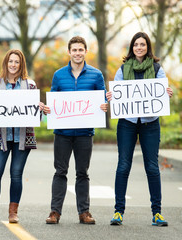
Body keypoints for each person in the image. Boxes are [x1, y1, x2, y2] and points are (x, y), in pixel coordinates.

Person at [107, 32, 173, 227]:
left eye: (143, 44)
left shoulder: (157, 68)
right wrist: (112, 96)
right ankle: (118, 212)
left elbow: (162, 92)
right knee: (123, 165)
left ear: (147, 47)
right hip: (127, 123)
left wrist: (166, 93)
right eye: (136, 44)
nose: (139, 48)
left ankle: (157, 213)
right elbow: (117, 92)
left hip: (150, 123)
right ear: (132, 48)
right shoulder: (123, 69)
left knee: (152, 167)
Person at [0, 49, 47, 224]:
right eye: (11, 61)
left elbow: (35, 117)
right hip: (1, 136)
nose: (13, 65)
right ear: (5, 63)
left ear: (21, 64)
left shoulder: (29, 85)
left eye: (17, 62)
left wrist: (39, 109)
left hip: (23, 137)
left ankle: (13, 212)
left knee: (16, 174)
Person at [44, 36, 108, 225]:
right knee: (60, 172)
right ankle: (55, 212)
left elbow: (103, 98)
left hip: (85, 133)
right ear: (69, 52)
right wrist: (48, 108)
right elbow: (53, 99)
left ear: (85, 52)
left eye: (81, 50)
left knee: (82, 173)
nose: (78, 53)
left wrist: (104, 105)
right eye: (74, 50)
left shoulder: (96, 75)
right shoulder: (59, 75)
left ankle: (84, 212)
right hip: (62, 134)